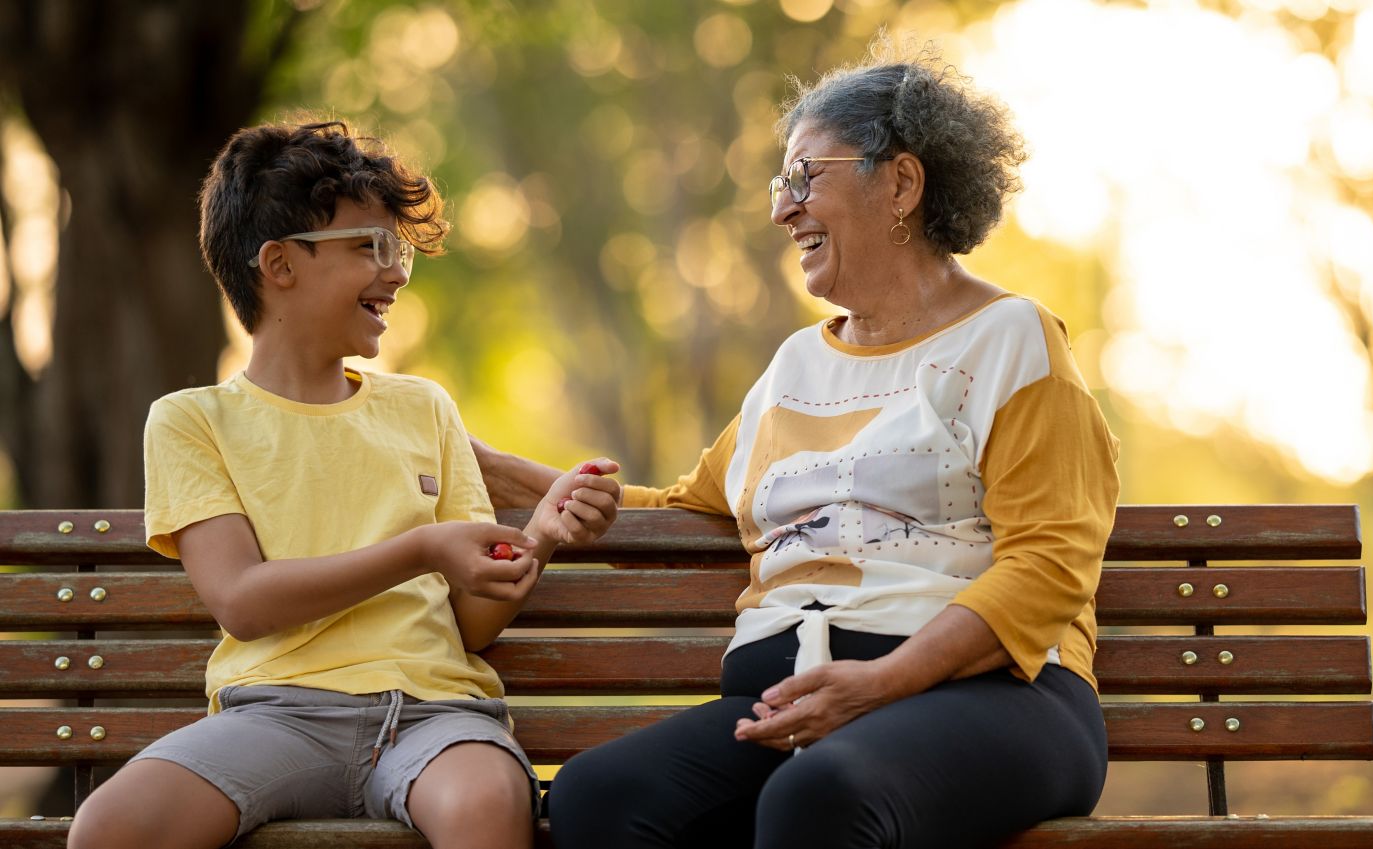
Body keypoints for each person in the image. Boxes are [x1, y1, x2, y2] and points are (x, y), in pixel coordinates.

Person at [473, 46, 1121, 849]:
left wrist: (881, 682)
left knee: (818, 796)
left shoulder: (1012, 341)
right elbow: (689, 505)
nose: (782, 209)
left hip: (1000, 696)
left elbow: (1048, 562)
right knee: (598, 795)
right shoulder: (793, 368)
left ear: (901, 184)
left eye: (803, 177)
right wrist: (492, 465)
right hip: (793, 704)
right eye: (782, 185)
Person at [66, 120, 622, 849]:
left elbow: (469, 624)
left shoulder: (423, 408)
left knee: (485, 803)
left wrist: (540, 538)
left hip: (435, 715)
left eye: (398, 251)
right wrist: (420, 548)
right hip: (273, 715)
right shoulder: (190, 421)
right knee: (109, 827)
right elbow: (242, 601)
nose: (395, 272)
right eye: (371, 247)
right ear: (279, 264)